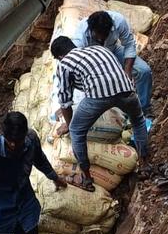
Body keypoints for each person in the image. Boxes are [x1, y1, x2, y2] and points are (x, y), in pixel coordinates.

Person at [50, 37, 148, 191]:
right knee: (139, 121)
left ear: (60, 56)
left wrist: (69, 125)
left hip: (99, 96)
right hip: (127, 90)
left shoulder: (65, 63)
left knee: (76, 131)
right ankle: (144, 163)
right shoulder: (99, 49)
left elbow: (64, 102)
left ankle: (87, 178)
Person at [71, 10, 153, 119]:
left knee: (144, 71)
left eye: (104, 35)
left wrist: (127, 72)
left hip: (113, 50)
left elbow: (129, 45)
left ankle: (143, 109)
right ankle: (120, 112)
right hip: (93, 61)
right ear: (91, 30)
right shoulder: (80, 36)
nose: (101, 39)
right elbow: (76, 64)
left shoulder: (119, 21)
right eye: (98, 36)